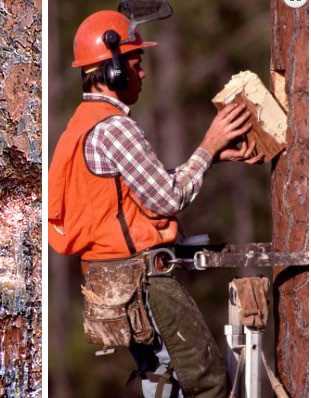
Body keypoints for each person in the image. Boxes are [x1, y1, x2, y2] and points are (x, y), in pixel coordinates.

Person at [47, 10, 263, 398]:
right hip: (143, 283)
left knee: (163, 381)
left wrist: (210, 159)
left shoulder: (83, 123)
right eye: (136, 63)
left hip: (115, 284)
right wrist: (208, 144)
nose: (142, 73)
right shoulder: (114, 127)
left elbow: (139, 191)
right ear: (113, 70)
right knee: (208, 383)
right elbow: (166, 198)